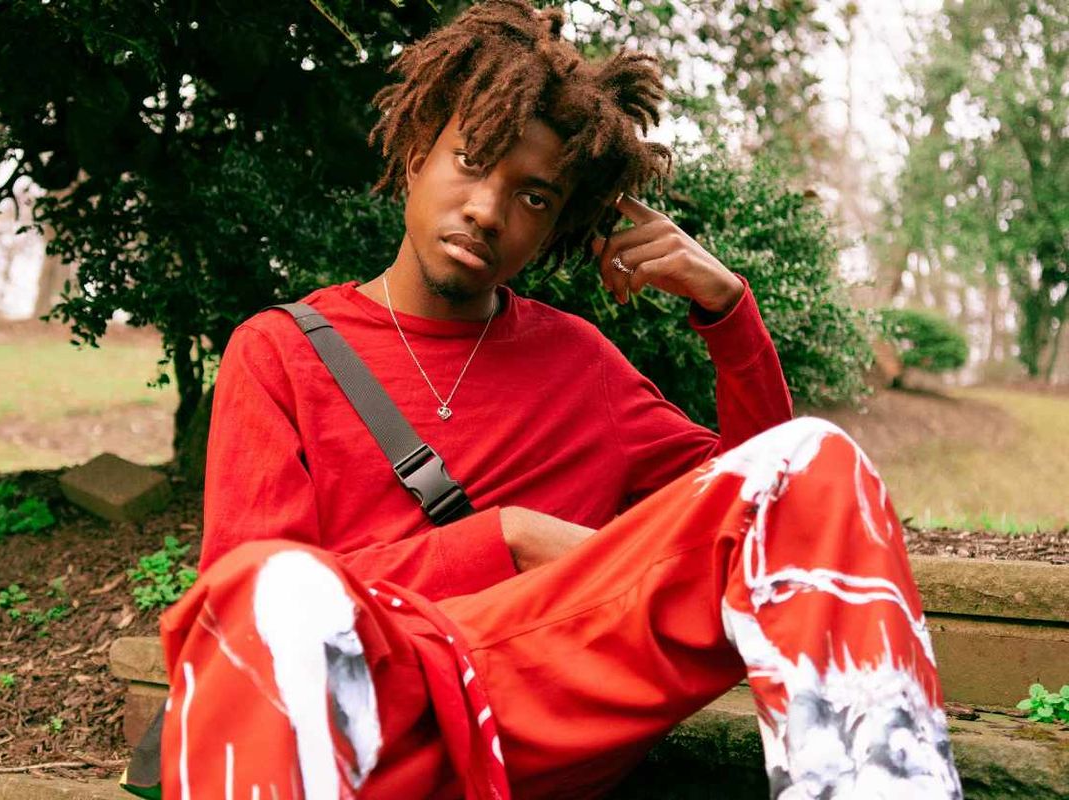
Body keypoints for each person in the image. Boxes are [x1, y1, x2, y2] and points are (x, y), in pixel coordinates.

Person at [159, 2, 963, 798]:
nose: (488, 210)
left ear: (555, 229)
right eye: (470, 161)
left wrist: (728, 312)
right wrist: (504, 539)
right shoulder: (281, 352)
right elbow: (242, 611)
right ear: (415, 159)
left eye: (534, 198)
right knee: (270, 589)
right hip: (369, 709)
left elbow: (766, 520)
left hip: (542, 697)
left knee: (815, 461)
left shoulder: (582, 365)